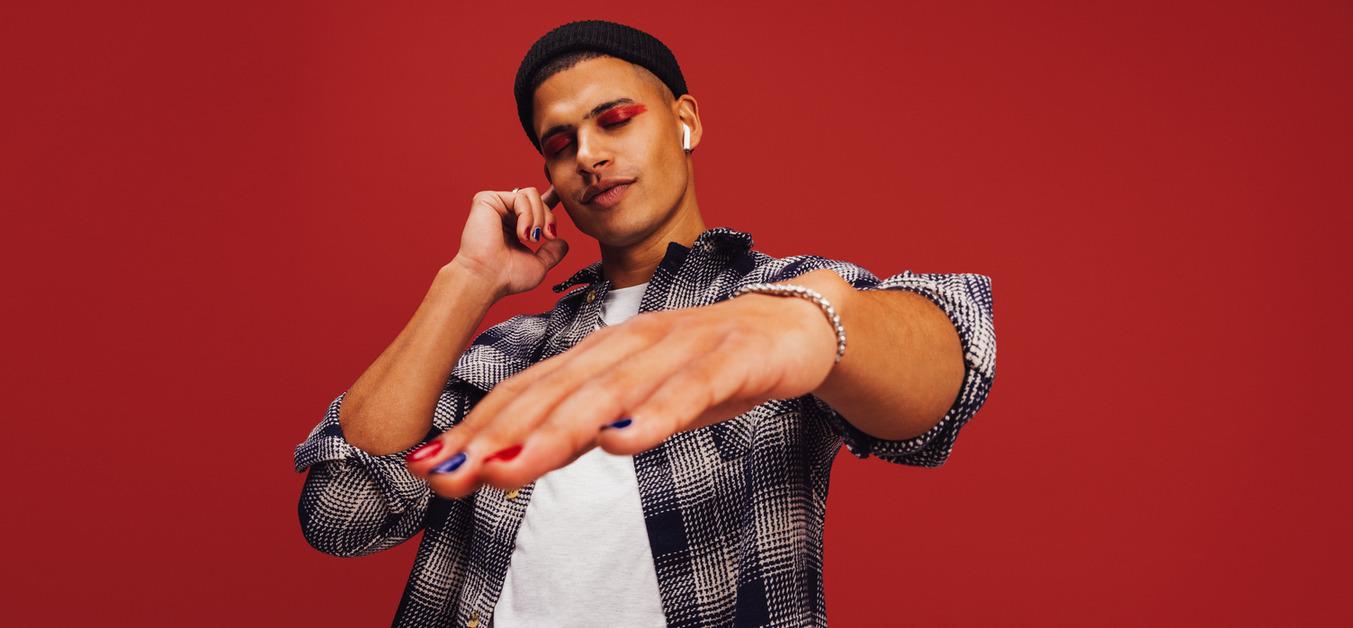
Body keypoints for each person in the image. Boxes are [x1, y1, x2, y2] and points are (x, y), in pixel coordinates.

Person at [293, 19, 996, 628]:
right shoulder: (509, 356)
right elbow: (344, 515)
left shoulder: (773, 300)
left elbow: (946, 374)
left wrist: (814, 325)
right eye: (560, 143)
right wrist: (468, 280)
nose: (589, 156)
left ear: (685, 120)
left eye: (615, 119)